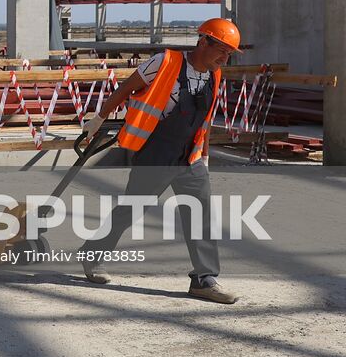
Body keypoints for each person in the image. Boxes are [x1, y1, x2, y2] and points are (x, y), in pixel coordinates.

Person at [75, 18, 242, 304]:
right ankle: (92, 254)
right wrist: (99, 117)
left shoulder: (214, 75)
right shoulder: (165, 62)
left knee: (200, 213)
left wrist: (204, 155)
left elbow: (203, 120)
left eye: (229, 54)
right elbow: (125, 89)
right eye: (222, 51)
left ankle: (204, 279)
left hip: (189, 155)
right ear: (203, 42)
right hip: (156, 152)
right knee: (131, 209)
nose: (224, 58)